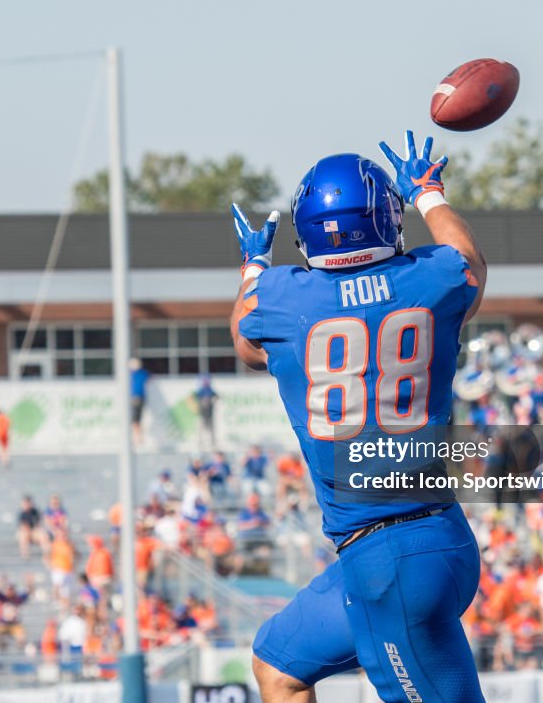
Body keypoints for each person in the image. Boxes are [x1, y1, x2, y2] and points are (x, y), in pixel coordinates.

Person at [230, 134, 487, 702]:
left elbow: (246, 344)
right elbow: (470, 263)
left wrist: (253, 265)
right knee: (278, 663)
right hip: (430, 538)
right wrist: (430, 193)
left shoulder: (285, 298)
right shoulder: (431, 278)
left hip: (387, 561)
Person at [193, 375, 219, 449]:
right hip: (202, 413)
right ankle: (200, 442)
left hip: (209, 412)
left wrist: (211, 401)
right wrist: (203, 401)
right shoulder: (201, 390)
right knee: (201, 427)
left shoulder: (210, 390)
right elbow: (196, 396)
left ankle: (212, 442)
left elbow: (217, 396)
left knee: (211, 428)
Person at [130, 358, 150, 446]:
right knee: (137, 420)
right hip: (140, 398)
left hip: (136, 399)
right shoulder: (143, 373)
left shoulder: (133, 374)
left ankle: (138, 440)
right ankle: (139, 439)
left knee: (135, 421)